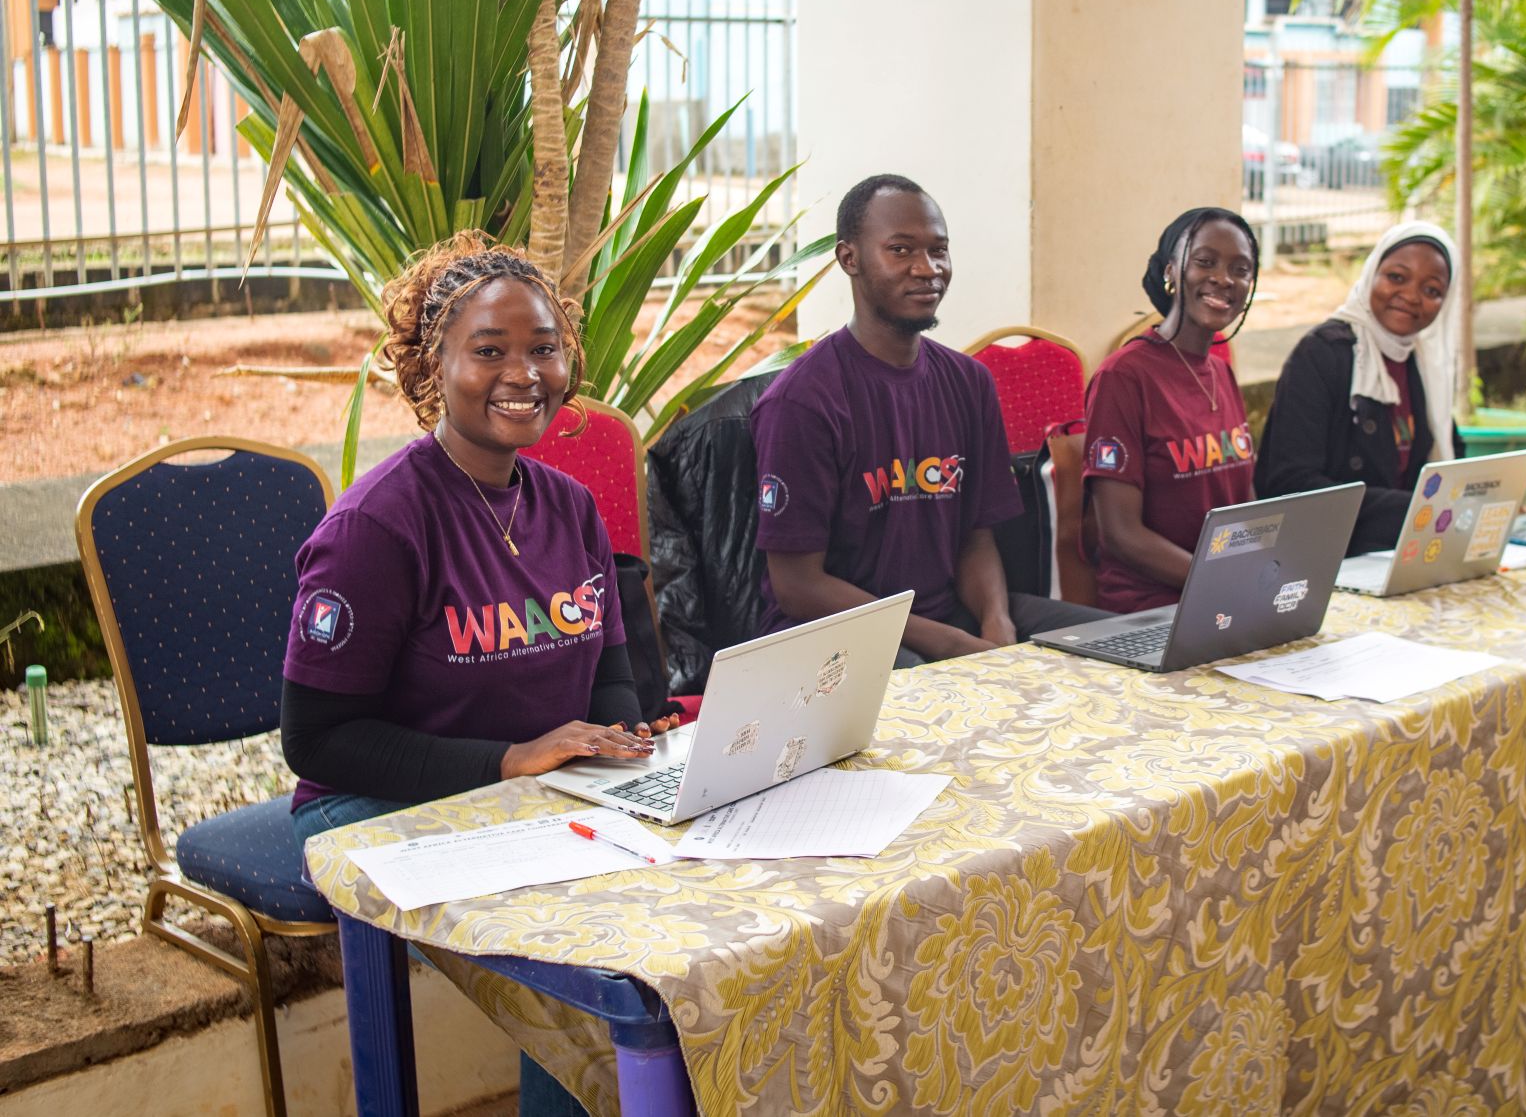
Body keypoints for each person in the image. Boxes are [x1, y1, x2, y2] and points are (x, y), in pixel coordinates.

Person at [280, 233, 671, 1117]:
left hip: (529, 790)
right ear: (434, 367)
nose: (523, 373)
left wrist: (619, 740)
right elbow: (317, 739)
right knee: (574, 927)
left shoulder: (570, 506)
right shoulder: (377, 528)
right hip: (375, 801)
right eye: (488, 350)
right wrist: (507, 760)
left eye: (543, 348)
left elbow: (608, 677)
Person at [752, 173, 1106, 666]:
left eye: (939, 250)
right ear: (849, 258)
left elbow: (975, 537)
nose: (928, 269)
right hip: (835, 636)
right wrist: (953, 646)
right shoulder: (803, 401)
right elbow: (797, 585)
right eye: (900, 250)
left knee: (1112, 648)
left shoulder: (969, 381)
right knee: (923, 686)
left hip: (949, 616)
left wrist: (996, 621)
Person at [1083, 208, 1261, 612]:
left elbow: (1245, 507)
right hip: (1152, 608)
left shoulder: (1221, 373)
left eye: (1241, 270)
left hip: (1227, 597)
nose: (1224, 279)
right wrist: (1223, 580)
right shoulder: (1123, 377)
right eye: (1205, 262)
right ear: (1171, 271)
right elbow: (1120, 534)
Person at [1256, 220, 1462, 554]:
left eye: (1432, 291)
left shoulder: (1425, 365)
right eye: (1397, 277)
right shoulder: (1323, 354)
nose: (1411, 296)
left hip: (1396, 553)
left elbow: (1450, 456)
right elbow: (1291, 483)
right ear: (1370, 274)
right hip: (1322, 556)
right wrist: (1415, 511)